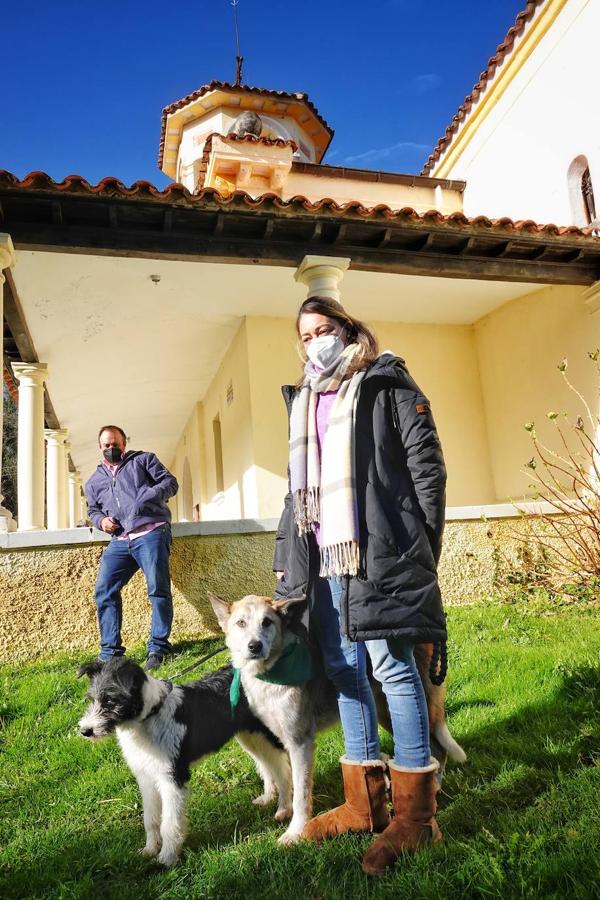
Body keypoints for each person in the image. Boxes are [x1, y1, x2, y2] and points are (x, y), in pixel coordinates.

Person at [273, 297, 447, 876]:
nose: (316, 341)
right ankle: (361, 802)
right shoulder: (303, 401)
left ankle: (417, 817)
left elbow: (427, 467)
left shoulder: (384, 382)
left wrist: (419, 545)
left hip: (380, 553)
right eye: (306, 335)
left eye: (325, 329)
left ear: (348, 329)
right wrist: (287, 563)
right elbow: (298, 493)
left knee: (393, 668)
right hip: (328, 560)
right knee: (346, 670)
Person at [85, 426, 179, 670]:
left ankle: (158, 648)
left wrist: (146, 496)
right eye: (106, 445)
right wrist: (101, 521)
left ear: (124, 443)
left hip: (150, 533)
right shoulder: (94, 481)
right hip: (120, 540)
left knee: (157, 589)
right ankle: (110, 653)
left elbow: (170, 483)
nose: (111, 449)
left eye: (115, 444)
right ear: (100, 447)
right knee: (104, 590)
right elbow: (93, 510)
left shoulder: (144, 460)